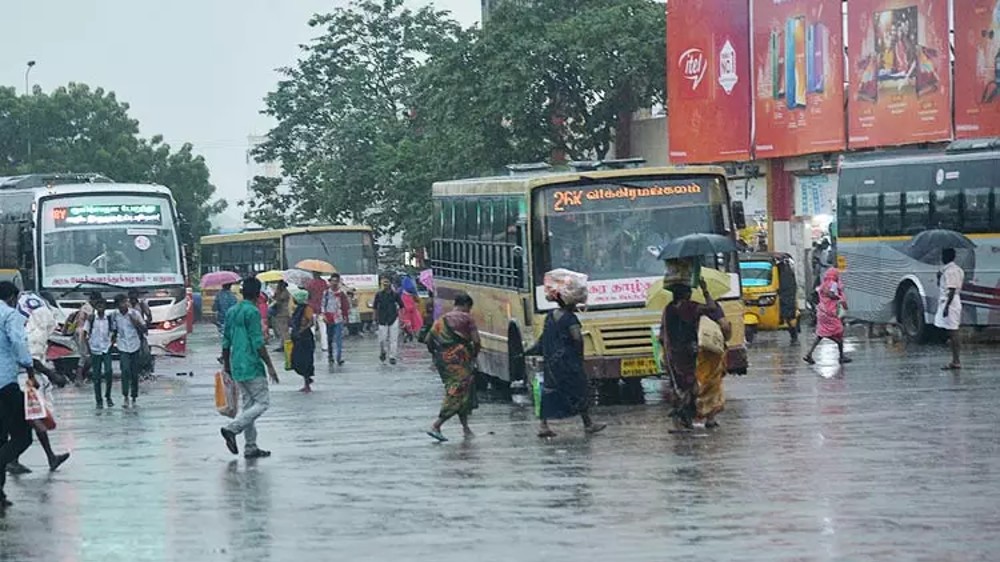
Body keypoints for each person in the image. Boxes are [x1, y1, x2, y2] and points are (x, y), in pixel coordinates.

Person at [526, 278, 606, 438]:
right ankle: (588, 423)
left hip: (552, 363)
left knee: (550, 391)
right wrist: (579, 357)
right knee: (578, 390)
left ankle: (543, 425)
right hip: (569, 362)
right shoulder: (570, 318)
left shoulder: (549, 316)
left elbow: (544, 338)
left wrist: (530, 351)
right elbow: (577, 338)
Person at [220, 277, 280, 459]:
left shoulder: (232, 311)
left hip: (236, 363)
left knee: (248, 406)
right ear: (257, 294)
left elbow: (226, 341)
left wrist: (227, 365)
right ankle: (233, 429)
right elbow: (257, 342)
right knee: (262, 403)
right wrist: (270, 365)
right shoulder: (252, 312)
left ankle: (250, 447)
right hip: (252, 363)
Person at [660, 278, 726, 431]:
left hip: (672, 354)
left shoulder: (668, 308)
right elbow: (711, 307)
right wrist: (705, 290)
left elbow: (663, 333)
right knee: (690, 388)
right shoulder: (688, 307)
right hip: (685, 354)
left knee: (680, 386)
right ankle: (680, 419)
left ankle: (683, 420)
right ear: (685, 294)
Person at [426, 293, 481, 442]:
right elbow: (476, 341)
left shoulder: (441, 320)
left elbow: (429, 340)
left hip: (443, 362)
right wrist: (474, 356)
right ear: (466, 306)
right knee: (457, 393)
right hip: (460, 361)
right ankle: (436, 425)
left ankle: (466, 428)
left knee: (462, 392)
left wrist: (436, 356)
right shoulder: (467, 319)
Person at [0, 281, 36, 508]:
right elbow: (19, 343)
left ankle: (0, 495)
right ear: (13, 297)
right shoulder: (10, 315)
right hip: (5, 384)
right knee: (23, 436)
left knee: (1, 438)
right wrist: (30, 369)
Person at [804, 268, 850, 365]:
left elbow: (820, 293)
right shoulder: (833, 284)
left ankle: (809, 354)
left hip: (821, 312)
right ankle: (841, 355)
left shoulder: (822, 285)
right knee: (839, 331)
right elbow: (831, 294)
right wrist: (839, 297)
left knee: (821, 334)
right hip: (830, 313)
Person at [113, 294, 147, 408]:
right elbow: (113, 330)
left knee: (134, 372)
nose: (125, 305)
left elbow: (144, 329)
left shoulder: (134, 314)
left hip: (135, 345)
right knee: (125, 371)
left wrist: (135, 322)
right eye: (122, 303)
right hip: (122, 346)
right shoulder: (115, 315)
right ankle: (125, 396)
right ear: (117, 305)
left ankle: (134, 396)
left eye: (126, 302)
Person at [935, 248, 964, 370]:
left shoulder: (951, 271)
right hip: (950, 302)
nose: (942, 258)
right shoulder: (950, 270)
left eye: (943, 255)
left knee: (953, 332)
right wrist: (938, 277)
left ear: (947, 257)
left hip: (950, 303)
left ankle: (956, 361)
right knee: (951, 332)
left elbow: (951, 290)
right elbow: (943, 286)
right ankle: (955, 360)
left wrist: (947, 307)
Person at [84, 299, 115, 408]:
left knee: (108, 372)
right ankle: (99, 400)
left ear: (105, 307)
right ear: (96, 307)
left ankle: (108, 396)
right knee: (96, 376)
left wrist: (111, 344)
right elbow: (85, 334)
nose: (100, 307)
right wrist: (88, 351)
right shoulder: (91, 319)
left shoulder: (109, 319)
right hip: (95, 350)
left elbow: (113, 332)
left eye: (102, 305)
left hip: (106, 349)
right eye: (98, 305)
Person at [371, 276, 404, 365]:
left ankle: (392, 356)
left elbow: (402, 307)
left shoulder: (395, 295)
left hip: (393, 318)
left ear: (390, 283)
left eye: (387, 282)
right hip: (382, 319)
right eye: (384, 282)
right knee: (382, 339)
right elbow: (375, 307)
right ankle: (383, 352)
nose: (385, 284)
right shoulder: (378, 295)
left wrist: (402, 319)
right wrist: (374, 319)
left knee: (393, 339)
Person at [290, 290, 316, 393]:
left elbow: (311, 322)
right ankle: (307, 380)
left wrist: (301, 330)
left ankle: (307, 383)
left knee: (305, 361)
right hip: (298, 338)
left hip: (305, 338)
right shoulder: (297, 309)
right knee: (296, 360)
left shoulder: (307, 309)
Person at [322, 274, 351, 365]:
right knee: (330, 338)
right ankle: (330, 356)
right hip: (329, 317)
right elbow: (322, 304)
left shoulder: (341, 293)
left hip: (339, 318)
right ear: (330, 282)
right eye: (332, 281)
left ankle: (339, 357)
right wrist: (323, 315)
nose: (334, 283)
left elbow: (345, 306)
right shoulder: (326, 293)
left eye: (336, 281)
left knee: (339, 338)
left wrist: (346, 317)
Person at [306, 273, 329, 352]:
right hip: (322, 308)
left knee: (311, 327)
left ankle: (311, 345)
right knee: (323, 329)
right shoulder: (324, 283)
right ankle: (325, 346)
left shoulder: (310, 283)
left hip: (311, 308)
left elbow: (308, 295)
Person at [399, 276, 423, 343]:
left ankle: (408, 335)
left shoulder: (401, 291)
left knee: (406, 325)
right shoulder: (413, 292)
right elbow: (418, 300)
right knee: (414, 324)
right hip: (410, 312)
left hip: (406, 312)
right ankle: (411, 335)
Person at [270, 281, 292, 353]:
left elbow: (279, 300)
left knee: (284, 331)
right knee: (281, 330)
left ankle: (286, 345)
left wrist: (277, 294)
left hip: (283, 313)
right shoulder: (281, 292)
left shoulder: (285, 293)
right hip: (280, 314)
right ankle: (283, 345)